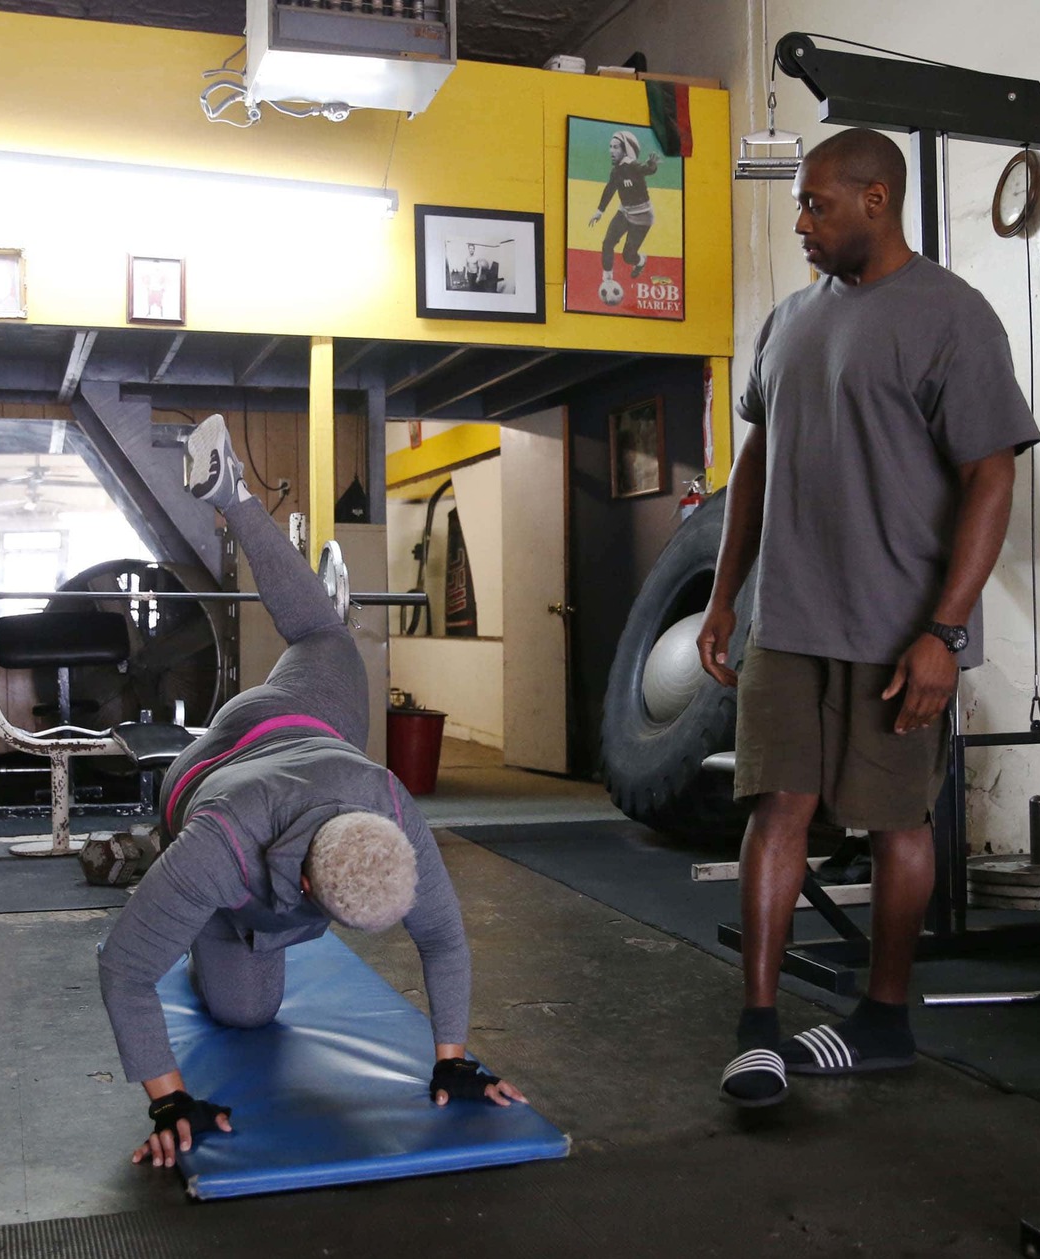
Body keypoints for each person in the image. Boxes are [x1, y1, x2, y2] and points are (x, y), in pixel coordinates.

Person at [697, 129, 1040, 1107]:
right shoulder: (788, 322)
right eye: (801, 206)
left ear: (876, 200)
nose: (801, 222)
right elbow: (754, 465)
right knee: (778, 810)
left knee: (897, 820)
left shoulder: (952, 317)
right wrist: (725, 593)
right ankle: (757, 1026)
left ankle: (885, 1018)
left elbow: (991, 475)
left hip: (899, 627)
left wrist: (946, 629)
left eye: (817, 204)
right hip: (790, 619)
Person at [98, 415, 526, 1169]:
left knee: (327, 638)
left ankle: (233, 495)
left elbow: (444, 937)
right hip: (209, 776)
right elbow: (124, 967)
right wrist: (168, 1096)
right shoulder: (220, 849)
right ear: (303, 882)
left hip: (311, 718)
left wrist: (453, 1057)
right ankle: (180, 894)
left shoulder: (392, 805)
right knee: (245, 1012)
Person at [587, 129, 661, 290]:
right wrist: (600, 211)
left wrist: (652, 165)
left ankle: (640, 261)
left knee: (628, 257)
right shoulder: (616, 171)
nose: (611, 151)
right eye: (610, 146)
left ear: (625, 149)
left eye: (616, 147)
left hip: (642, 217)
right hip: (624, 213)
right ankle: (607, 280)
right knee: (607, 243)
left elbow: (646, 169)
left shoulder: (631, 165)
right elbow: (609, 189)